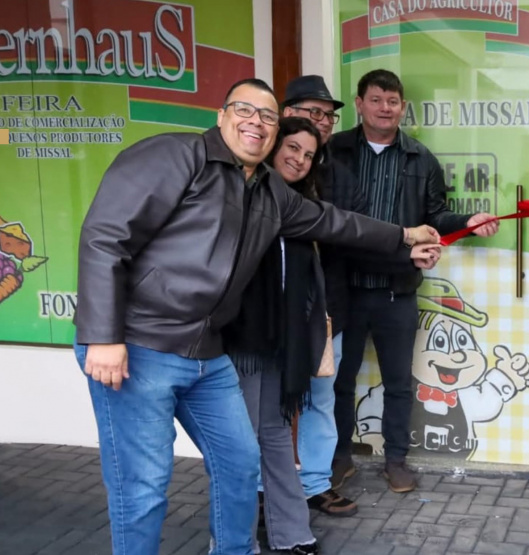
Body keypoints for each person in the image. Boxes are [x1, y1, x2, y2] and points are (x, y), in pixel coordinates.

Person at [74, 78, 438, 555]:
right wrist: (103, 336)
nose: (257, 122)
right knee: (143, 487)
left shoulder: (268, 190)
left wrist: (406, 234)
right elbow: (105, 237)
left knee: (241, 464)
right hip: (141, 346)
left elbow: (335, 222)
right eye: (245, 110)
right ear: (221, 115)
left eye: (267, 116)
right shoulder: (174, 156)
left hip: (207, 353)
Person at [329, 69, 499, 493]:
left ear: (402, 107)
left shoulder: (421, 159)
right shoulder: (334, 152)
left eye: (393, 101)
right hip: (343, 287)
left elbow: (435, 215)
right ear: (360, 104)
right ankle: (338, 456)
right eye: (376, 99)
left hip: (396, 290)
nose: (385, 108)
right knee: (338, 380)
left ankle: (396, 460)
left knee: (399, 382)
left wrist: (467, 222)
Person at [279, 74, 441, 517]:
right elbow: (342, 229)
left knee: (333, 393)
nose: (321, 125)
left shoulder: (362, 168)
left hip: (355, 299)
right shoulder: (279, 170)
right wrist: (406, 242)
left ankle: (352, 471)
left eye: (326, 117)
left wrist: (413, 249)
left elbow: (357, 228)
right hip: (303, 303)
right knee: (294, 399)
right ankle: (299, 480)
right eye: (313, 115)